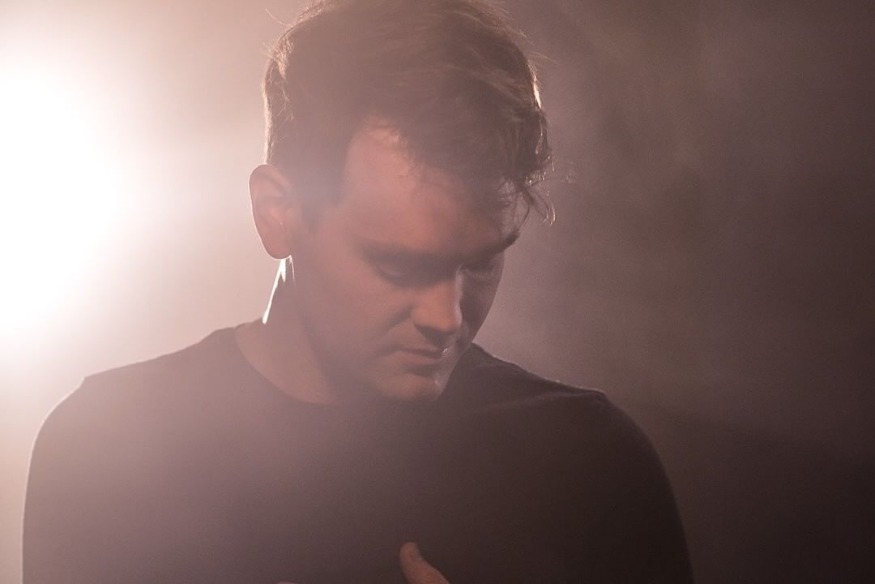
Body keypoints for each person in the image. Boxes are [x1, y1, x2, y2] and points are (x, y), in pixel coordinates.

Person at [24, 0, 693, 582]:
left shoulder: (590, 466)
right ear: (278, 213)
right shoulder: (107, 452)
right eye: (398, 266)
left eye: (481, 263)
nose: (445, 317)